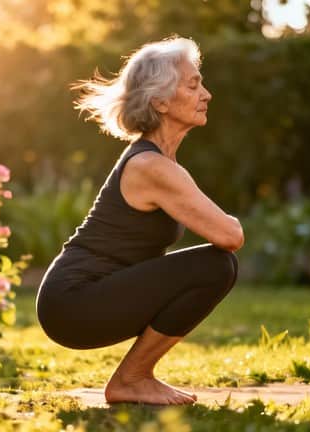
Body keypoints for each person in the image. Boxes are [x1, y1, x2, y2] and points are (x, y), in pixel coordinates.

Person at [35, 36, 244, 406]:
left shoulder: (159, 163)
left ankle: (134, 378)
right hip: (72, 302)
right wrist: (230, 220)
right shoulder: (150, 166)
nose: (207, 94)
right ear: (160, 101)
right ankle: (132, 379)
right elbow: (230, 236)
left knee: (216, 265)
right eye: (193, 85)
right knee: (216, 265)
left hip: (78, 300)